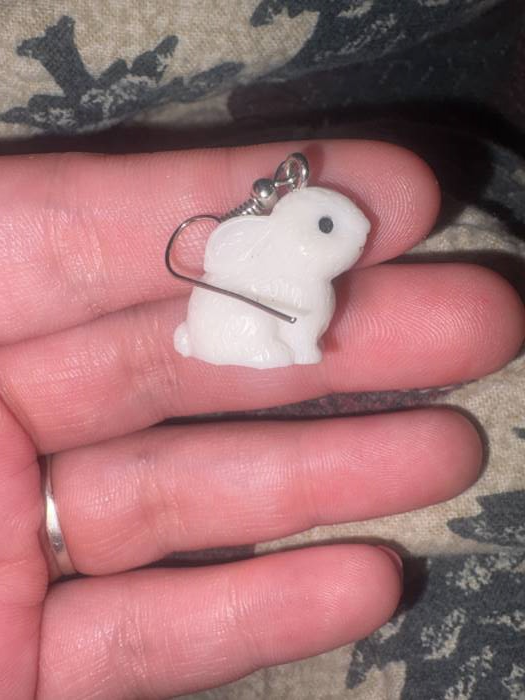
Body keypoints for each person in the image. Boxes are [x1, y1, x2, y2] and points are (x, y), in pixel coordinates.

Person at [0, 141, 523, 699]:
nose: (360, 237)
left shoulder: (307, 282)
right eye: (327, 226)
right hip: (226, 330)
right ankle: (250, 343)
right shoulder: (263, 263)